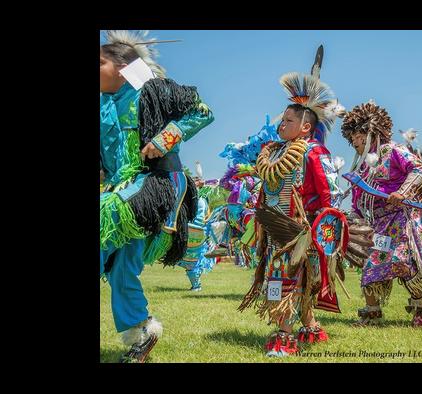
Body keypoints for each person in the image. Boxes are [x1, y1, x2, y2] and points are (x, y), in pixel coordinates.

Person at [100, 30, 214, 362]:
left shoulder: (153, 91)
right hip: (119, 189)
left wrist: (165, 138)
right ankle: (141, 333)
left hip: (154, 183)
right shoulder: (104, 105)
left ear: (122, 68)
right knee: (121, 267)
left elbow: (202, 112)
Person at [237, 61, 348, 357]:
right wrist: (255, 227)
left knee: (291, 279)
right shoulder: (274, 152)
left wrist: (325, 231)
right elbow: (266, 192)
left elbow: (329, 194)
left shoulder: (313, 152)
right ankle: (310, 326)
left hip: (302, 231)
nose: (280, 125)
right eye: (282, 120)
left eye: (288, 121)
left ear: (306, 127)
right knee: (286, 278)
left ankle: (284, 335)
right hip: (275, 230)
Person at [341, 101, 422, 327]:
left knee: (404, 264)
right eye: (352, 138)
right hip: (377, 224)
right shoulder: (362, 166)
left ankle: (420, 308)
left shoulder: (393, 150)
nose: (354, 141)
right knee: (371, 265)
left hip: (401, 219)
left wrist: (402, 191)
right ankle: (372, 313)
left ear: (372, 132)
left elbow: (418, 168)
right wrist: (355, 217)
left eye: (358, 135)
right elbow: (358, 198)